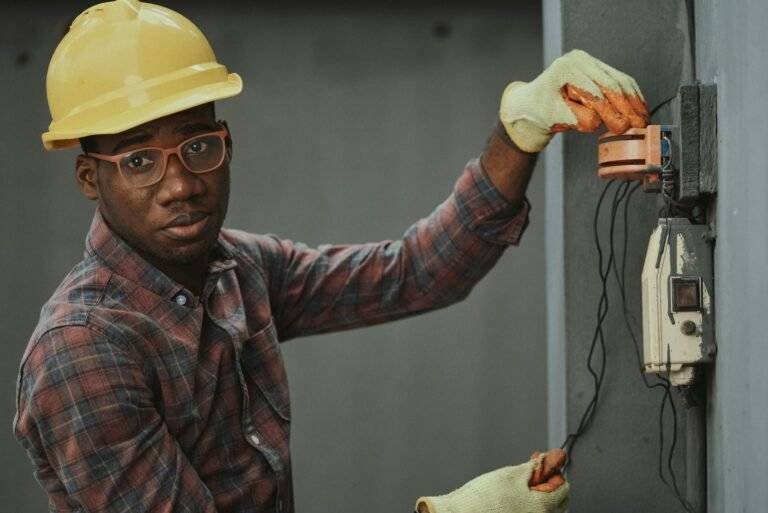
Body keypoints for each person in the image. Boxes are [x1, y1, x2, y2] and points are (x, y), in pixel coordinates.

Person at [12, 1, 648, 512]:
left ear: (226, 142)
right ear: (91, 178)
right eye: (139, 161)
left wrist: (518, 130)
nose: (180, 185)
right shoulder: (84, 350)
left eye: (198, 146)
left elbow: (414, 274)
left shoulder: (237, 271)